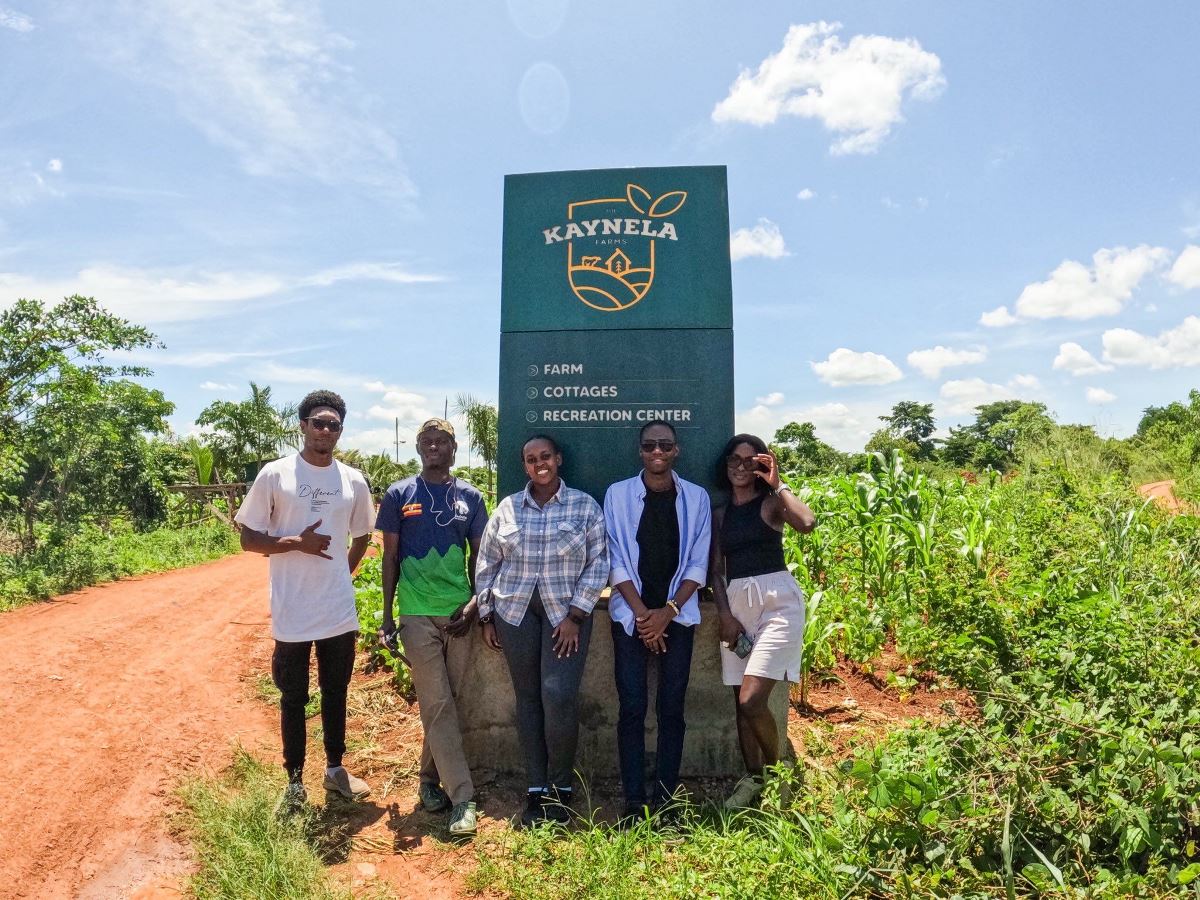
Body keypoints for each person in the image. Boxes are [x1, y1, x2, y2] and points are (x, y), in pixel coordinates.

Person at [235, 389, 376, 815]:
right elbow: (247, 538)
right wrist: (296, 542)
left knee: (337, 691)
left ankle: (335, 769)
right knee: (293, 696)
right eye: (319, 422)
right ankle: (294, 782)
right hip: (292, 610)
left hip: (337, 610)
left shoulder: (352, 480)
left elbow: (364, 534)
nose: (326, 431)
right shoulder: (276, 475)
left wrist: (340, 575)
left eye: (334, 424)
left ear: (340, 431)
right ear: (302, 426)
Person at [474, 435, 608, 827]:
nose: (539, 464)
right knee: (528, 696)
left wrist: (577, 615)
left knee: (558, 694)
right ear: (525, 466)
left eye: (545, 456)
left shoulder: (584, 505)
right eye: (531, 459)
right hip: (514, 613)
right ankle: (536, 789)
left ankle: (562, 788)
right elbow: (487, 563)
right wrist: (486, 614)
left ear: (558, 459)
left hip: (564, 617)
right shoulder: (508, 508)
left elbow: (600, 562)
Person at [377, 418, 487, 837]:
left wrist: (478, 604)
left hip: (459, 615)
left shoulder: (471, 498)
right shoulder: (399, 495)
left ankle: (427, 781)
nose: (434, 448)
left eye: (442, 441)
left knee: (445, 703)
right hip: (417, 614)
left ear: (454, 448)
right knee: (438, 703)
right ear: (419, 448)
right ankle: (464, 798)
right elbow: (389, 559)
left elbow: (479, 558)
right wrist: (387, 616)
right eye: (427, 442)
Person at [603, 419, 711, 821]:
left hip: (678, 617)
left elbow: (698, 562)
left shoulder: (696, 498)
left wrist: (668, 613)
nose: (657, 452)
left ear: (676, 450)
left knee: (671, 707)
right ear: (640, 452)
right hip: (631, 617)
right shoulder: (617, 495)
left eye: (665, 445)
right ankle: (634, 800)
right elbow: (614, 557)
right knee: (631, 706)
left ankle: (666, 798)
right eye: (649, 446)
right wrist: (643, 615)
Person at [709, 433, 816, 809]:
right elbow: (716, 571)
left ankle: (778, 774)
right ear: (725, 466)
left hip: (777, 604)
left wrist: (778, 482)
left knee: (752, 699)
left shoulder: (770, 505)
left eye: (750, 461)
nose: (741, 467)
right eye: (733, 460)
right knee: (740, 702)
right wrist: (724, 614)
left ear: (761, 465)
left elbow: (807, 522)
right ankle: (753, 779)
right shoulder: (720, 514)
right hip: (738, 607)